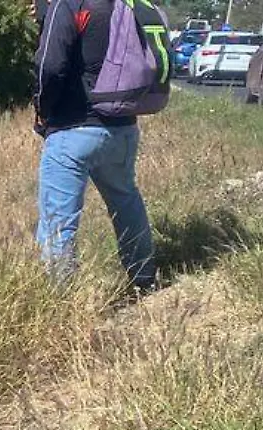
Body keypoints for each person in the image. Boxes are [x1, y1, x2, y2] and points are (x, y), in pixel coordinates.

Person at [33, 0, 158, 293]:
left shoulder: (69, 3)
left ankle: (58, 301)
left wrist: (42, 108)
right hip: (123, 127)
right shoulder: (130, 3)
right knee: (126, 200)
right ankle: (143, 279)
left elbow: (48, 66)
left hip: (73, 129)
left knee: (58, 222)